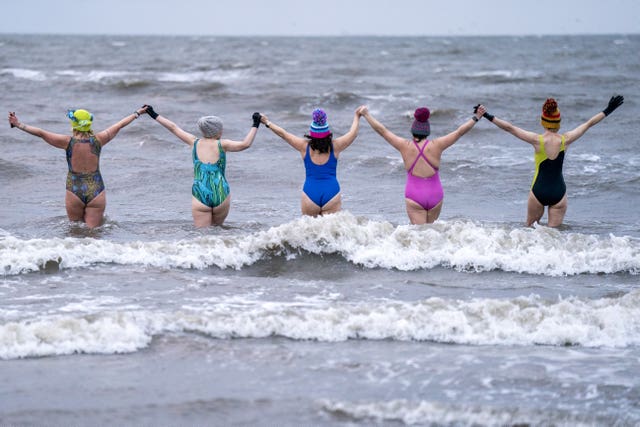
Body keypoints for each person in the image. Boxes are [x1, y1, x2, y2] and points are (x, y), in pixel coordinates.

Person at [481, 95, 624, 227]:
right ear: (558, 122)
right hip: (559, 193)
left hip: (538, 191)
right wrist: (608, 110)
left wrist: (487, 115)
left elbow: (509, 128)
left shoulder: (537, 140)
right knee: (554, 235)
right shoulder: (566, 139)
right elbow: (588, 124)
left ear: (543, 121)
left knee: (529, 231)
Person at [8, 107, 148, 228]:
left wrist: (18, 124)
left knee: (75, 232)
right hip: (96, 189)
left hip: (74, 189)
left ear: (74, 124)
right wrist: (137, 113)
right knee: (94, 234)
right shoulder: (99, 140)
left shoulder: (67, 142)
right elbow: (119, 125)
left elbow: (41, 133)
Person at [359, 104, 486, 224]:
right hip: (435, 195)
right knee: (430, 234)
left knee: (419, 236)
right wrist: (477, 117)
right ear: (427, 130)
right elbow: (459, 132)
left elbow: (382, 131)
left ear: (413, 130)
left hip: (414, 195)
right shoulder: (437, 145)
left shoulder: (404, 146)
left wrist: (366, 114)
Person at [143, 105, 260, 227]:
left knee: (203, 237)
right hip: (220, 192)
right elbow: (245, 144)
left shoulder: (194, 142)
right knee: (217, 234)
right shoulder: (223, 144)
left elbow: (173, 128)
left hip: (200, 193)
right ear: (218, 130)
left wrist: (153, 114)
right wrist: (255, 123)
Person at [259, 107, 363, 216]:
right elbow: (353, 133)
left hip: (310, 193)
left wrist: (266, 122)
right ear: (327, 132)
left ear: (312, 132)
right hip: (331, 192)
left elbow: (283, 134)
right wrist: (357, 116)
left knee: (309, 231)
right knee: (332, 231)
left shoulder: (304, 146)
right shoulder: (336, 146)